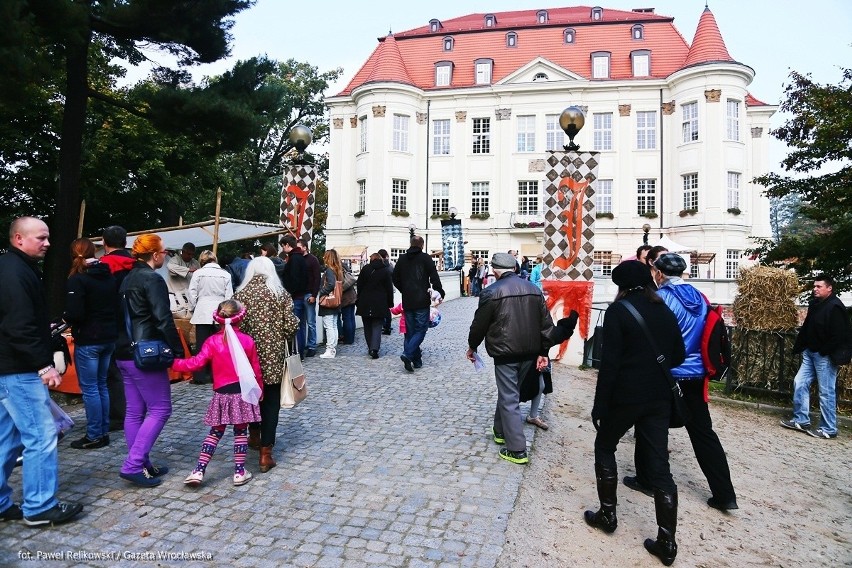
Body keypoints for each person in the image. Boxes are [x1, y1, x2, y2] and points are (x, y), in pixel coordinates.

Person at [584, 260, 686, 566]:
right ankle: (667, 541)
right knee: (660, 467)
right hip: (658, 397)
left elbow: (609, 365)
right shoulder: (663, 309)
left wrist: (600, 405)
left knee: (604, 445)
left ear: (621, 285)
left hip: (626, 396)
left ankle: (608, 514)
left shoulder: (618, 311)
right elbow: (679, 354)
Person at [626, 253, 738, 511]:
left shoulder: (659, 299)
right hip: (696, 373)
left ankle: (646, 478)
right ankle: (724, 493)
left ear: (658, 273)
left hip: (668, 372)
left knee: (650, 425)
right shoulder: (700, 298)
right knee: (703, 433)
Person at [0, 216, 84, 526]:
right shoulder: (14, 271)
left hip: (9, 367)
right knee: (41, 435)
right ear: (19, 238)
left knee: (7, 439)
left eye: (47, 237)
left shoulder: (14, 268)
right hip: (19, 369)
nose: (47, 243)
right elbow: (17, 326)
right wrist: (44, 365)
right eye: (41, 238)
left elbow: (16, 320)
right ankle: (39, 507)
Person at [466, 252, 577, 465]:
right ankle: (500, 431)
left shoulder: (491, 292)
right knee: (510, 392)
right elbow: (546, 326)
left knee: (509, 396)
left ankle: (517, 449)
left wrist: (473, 346)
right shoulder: (534, 290)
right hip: (530, 350)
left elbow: (479, 324)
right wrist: (543, 352)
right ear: (515, 269)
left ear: (495, 271)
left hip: (505, 351)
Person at [116, 233, 186, 487]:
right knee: (160, 409)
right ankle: (134, 463)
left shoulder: (125, 279)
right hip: (145, 353)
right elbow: (163, 318)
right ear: (155, 254)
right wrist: (178, 350)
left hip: (124, 351)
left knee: (135, 411)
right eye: (165, 252)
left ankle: (142, 464)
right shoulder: (152, 279)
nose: (166, 256)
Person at [172, 300, 263, 487]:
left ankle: (199, 470)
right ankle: (239, 472)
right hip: (241, 393)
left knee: (215, 432)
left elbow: (195, 363)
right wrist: (258, 391)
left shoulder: (212, 341)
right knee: (240, 432)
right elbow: (256, 370)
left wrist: (172, 363)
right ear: (240, 318)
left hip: (221, 393)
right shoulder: (248, 341)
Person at [233, 257, 299, 472]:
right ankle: (265, 453)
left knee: (251, 398)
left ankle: (253, 435)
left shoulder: (240, 295)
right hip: (272, 357)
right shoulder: (279, 294)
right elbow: (290, 326)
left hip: (246, 358)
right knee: (271, 402)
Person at [63, 238, 118, 449]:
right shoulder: (108, 276)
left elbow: (76, 313)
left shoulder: (78, 280)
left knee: (90, 388)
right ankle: (102, 431)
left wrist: (68, 318)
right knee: (101, 384)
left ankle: (95, 433)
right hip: (108, 337)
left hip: (89, 339)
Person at [781, 274, 851, 439]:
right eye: (814, 286)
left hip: (824, 356)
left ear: (829, 288)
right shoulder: (815, 305)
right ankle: (801, 419)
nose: (815, 289)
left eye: (819, 286)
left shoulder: (835, 307)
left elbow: (839, 335)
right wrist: (804, 346)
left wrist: (823, 351)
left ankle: (828, 429)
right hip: (810, 353)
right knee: (799, 382)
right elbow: (808, 327)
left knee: (826, 392)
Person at [98, 225, 135, 430]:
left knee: (112, 372)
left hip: (111, 323)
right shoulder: (136, 264)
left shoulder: (103, 265)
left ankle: (118, 414)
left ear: (104, 242)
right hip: (135, 323)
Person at [392, 235, 445, 372]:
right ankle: (408, 354)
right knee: (421, 329)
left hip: (408, 300)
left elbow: (395, 278)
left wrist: (404, 290)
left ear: (410, 244)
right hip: (421, 300)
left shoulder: (402, 258)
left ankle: (416, 360)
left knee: (410, 331)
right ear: (422, 245)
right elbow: (434, 276)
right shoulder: (425, 258)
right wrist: (439, 292)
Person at [187, 251, 233, 385]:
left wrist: (194, 307)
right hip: (220, 311)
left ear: (202, 260)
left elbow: (192, 293)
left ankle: (200, 376)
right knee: (219, 345)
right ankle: (218, 374)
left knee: (201, 345)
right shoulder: (225, 274)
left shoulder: (198, 274)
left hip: (202, 310)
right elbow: (229, 296)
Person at [356, 253, 394, 359]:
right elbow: (389, 289)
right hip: (380, 302)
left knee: (367, 326)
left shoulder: (365, 269)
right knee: (377, 325)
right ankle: (374, 348)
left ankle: (370, 347)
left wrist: (359, 299)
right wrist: (390, 303)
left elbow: (359, 285)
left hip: (365, 301)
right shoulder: (385, 271)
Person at [280, 235, 308, 354]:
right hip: (300, 295)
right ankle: (299, 352)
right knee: (299, 325)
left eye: (283, 246)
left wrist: (289, 293)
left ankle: (297, 352)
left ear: (287, 245)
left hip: (296, 296)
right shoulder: (299, 257)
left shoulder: (294, 259)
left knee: (295, 326)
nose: (282, 249)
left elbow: (294, 279)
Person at [318, 250, 343, 359]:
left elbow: (331, 284)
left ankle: (330, 349)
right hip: (335, 301)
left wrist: (322, 292)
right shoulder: (338, 270)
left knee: (329, 326)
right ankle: (332, 348)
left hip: (328, 301)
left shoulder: (329, 270)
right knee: (333, 325)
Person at [299, 238, 321, 357]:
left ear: (305, 247)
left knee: (311, 322)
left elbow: (317, 278)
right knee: (301, 322)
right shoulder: (297, 259)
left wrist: (314, 294)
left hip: (308, 294)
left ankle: (312, 345)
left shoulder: (313, 260)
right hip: (299, 294)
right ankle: (303, 344)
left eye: (299, 247)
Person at [166, 242, 200, 315]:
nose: (190, 256)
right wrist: (188, 270)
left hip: (189, 296)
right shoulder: (174, 260)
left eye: (192, 254)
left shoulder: (195, 262)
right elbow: (170, 267)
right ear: (183, 252)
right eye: (188, 254)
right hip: (175, 296)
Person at [339, 263, 358, 345]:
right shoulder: (345, 268)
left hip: (345, 298)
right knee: (351, 317)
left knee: (346, 318)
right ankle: (351, 337)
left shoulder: (339, 271)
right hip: (352, 296)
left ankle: (348, 339)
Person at [379, 249, 395, 334]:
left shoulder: (381, 265)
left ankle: (385, 326)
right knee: (388, 309)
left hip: (381, 290)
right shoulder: (390, 265)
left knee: (382, 309)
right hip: (389, 288)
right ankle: (387, 326)